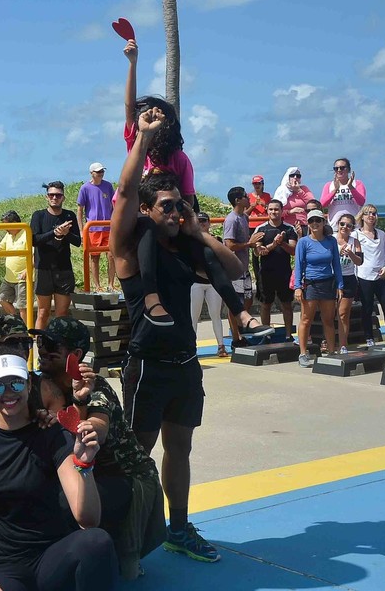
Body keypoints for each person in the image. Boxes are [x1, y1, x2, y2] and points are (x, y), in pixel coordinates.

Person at [110, 107, 244, 563]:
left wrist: (201, 233)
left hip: (185, 364)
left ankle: (179, 528)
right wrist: (143, 139)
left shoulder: (186, 251)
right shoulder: (129, 250)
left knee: (180, 449)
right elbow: (126, 190)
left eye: (178, 204)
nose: (173, 211)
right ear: (147, 211)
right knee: (138, 454)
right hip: (147, 365)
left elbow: (237, 270)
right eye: (164, 206)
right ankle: (124, 534)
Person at [0, 351, 118, 590]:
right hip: (3, 563)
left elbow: (87, 519)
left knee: (97, 541)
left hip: (51, 555)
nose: (8, 393)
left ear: (29, 383)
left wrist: (85, 465)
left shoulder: (52, 434)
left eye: (16, 383)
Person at [35, 318, 165, 580]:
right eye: (39, 342)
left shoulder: (95, 388)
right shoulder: (42, 385)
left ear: (76, 355)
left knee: (63, 501)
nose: (41, 349)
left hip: (127, 479)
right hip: (88, 476)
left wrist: (85, 420)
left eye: (50, 344)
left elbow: (98, 426)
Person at [122, 39, 195, 207]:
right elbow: (129, 106)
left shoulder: (178, 159)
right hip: (134, 216)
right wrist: (133, 63)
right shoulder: (136, 147)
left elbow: (187, 201)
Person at [222, 186, 273, 343]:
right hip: (234, 269)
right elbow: (229, 245)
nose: (248, 198)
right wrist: (248, 244)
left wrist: (254, 245)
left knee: (248, 300)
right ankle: (236, 338)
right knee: (235, 304)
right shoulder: (231, 220)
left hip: (244, 268)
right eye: (245, 196)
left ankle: (241, 328)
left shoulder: (244, 217)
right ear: (238, 200)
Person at [293, 209, 343, 366]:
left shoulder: (331, 241)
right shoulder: (303, 242)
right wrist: (298, 287)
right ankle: (302, 353)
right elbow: (299, 265)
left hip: (328, 283)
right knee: (306, 319)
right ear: (308, 224)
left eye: (318, 220)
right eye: (311, 221)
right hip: (311, 284)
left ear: (323, 223)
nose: (315, 223)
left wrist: (340, 285)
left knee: (328, 319)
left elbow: (336, 264)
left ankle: (331, 351)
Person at [31, 181, 81, 328]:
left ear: (63, 198)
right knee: (43, 312)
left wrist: (66, 234)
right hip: (44, 269)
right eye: (51, 195)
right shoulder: (38, 216)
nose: (54, 198)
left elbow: (78, 241)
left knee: (62, 314)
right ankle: (39, 346)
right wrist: (54, 233)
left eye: (58, 195)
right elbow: (34, 240)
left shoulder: (69, 215)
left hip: (64, 269)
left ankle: (60, 347)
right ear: (47, 197)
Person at [354, 204, 385, 346]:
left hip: (380, 276)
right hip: (364, 277)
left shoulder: (381, 234)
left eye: (374, 213)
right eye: (368, 213)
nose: (371, 216)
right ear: (362, 216)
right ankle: (369, 337)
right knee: (367, 309)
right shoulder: (356, 234)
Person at [253, 199, 297, 339]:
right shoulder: (261, 229)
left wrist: (282, 243)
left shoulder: (289, 229)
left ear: (281, 211)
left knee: (286, 305)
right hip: (266, 273)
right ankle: (266, 335)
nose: (273, 212)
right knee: (266, 304)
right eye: (271, 209)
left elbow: (293, 250)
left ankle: (289, 335)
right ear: (267, 210)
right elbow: (258, 251)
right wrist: (274, 244)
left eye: (276, 209)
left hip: (284, 272)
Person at [191, 212, 229, 357]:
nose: (202, 223)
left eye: (204, 221)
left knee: (216, 315)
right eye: (199, 221)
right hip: (195, 283)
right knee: (193, 317)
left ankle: (221, 346)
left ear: (209, 223)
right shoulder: (191, 241)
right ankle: (191, 347)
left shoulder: (216, 240)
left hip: (212, 283)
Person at [77, 162, 116, 292]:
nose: (101, 174)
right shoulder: (85, 188)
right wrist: (82, 230)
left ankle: (111, 284)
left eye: (102, 171)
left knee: (111, 255)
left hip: (108, 227)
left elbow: (114, 204)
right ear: (92, 173)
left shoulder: (108, 186)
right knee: (94, 257)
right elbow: (80, 210)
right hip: (93, 228)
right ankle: (97, 285)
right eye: (98, 172)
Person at [0, 211, 28, 318]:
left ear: (14, 223)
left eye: (7, 225)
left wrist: (27, 270)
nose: (6, 229)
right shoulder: (8, 235)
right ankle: (17, 322)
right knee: (2, 298)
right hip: (9, 278)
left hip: (23, 278)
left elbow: (35, 254)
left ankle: (27, 332)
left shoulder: (27, 233)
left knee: (23, 307)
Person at [334, 213, 364, 352]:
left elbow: (360, 261)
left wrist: (350, 253)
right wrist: (337, 253)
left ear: (352, 228)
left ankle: (343, 344)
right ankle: (326, 342)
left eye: (348, 225)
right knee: (328, 314)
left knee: (343, 313)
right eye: (342, 224)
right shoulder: (331, 239)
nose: (344, 227)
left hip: (349, 278)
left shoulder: (354, 242)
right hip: (332, 278)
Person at [319, 157, 366, 228]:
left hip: (354, 227)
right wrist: (335, 190)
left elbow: (361, 202)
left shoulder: (357, 183)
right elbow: (323, 204)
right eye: (336, 168)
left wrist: (350, 187)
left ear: (348, 169)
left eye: (342, 168)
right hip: (334, 227)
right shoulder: (329, 185)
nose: (339, 170)